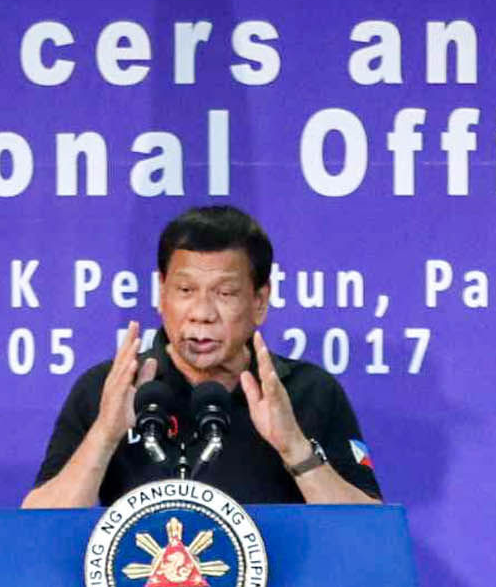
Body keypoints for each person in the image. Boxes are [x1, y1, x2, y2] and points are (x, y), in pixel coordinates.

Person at [24, 205, 381, 509]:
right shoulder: (109, 389)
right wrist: (104, 434)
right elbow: (39, 529)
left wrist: (295, 450)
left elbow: (369, 535)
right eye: (185, 290)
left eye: (225, 293)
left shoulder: (308, 392)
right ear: (162, 294)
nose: (202, 313)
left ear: (259, 301)